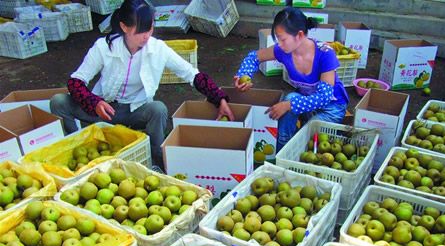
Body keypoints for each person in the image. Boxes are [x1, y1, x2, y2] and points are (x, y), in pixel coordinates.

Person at [51, 0, 234, 167]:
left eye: (150, 29)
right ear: (123, 26)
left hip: (134, 110)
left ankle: (158, 161)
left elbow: (192, 75)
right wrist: (95, 102)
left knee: (158, 109)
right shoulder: (104, 47)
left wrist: (220, 99)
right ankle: (74, 148)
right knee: (59, 101)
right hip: (103, 110)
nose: (146, 36)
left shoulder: (158, 49)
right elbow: (76, 82)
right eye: (140, 31)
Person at [234, 7, 349, 152]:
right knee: (290, 98)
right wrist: (244, 75)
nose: (279, 44)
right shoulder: (283, 51)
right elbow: (254, 57)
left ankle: (291, 147)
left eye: (282, 39)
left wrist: (289, 105)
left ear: (299, 35)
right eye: (277, 39)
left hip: (332, 107)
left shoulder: (325, 54)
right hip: (306, 104)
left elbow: (324, 98)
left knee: (305, 136)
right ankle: (281, 149)